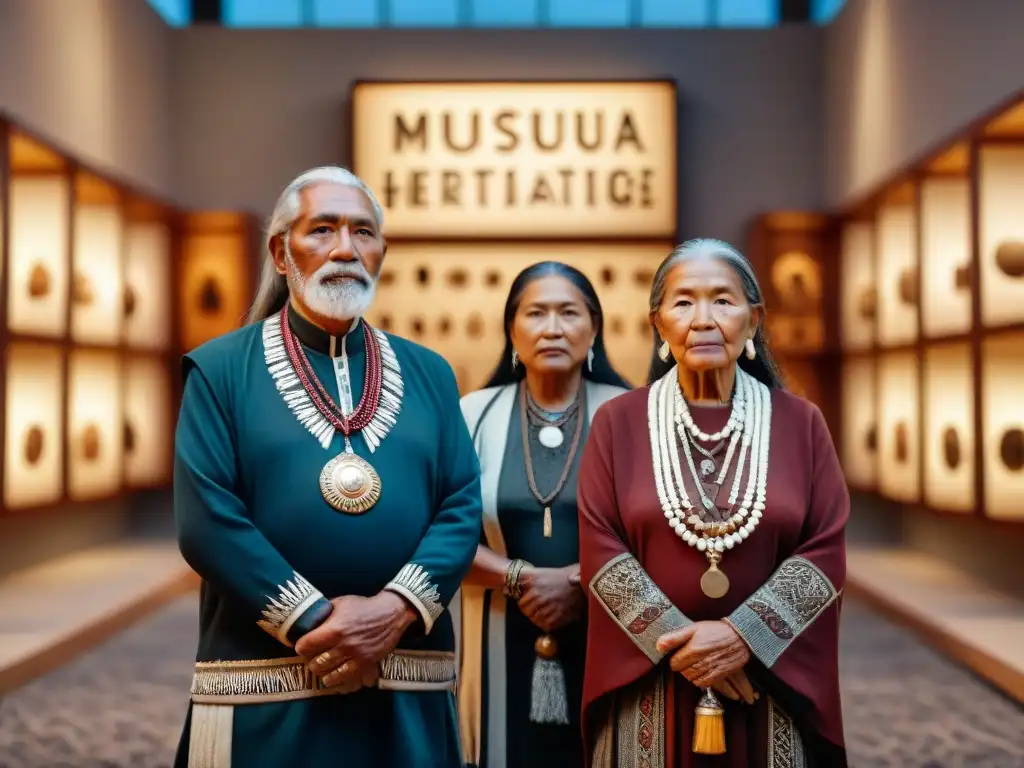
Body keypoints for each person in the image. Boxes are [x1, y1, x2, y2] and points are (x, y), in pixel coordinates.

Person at [172, 166, 481, 768]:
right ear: (281, 253)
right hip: (266, 679)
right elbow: (208, 521)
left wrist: (391, 613)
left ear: (381, 253)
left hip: (405, 673)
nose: (345, 248)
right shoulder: (220, 371)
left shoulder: (430, 373)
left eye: (363, 232)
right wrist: (320, 623)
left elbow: (460, 506)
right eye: (322, 230)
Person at [577, 239, 848, 767]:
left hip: (767, 683)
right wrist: (694, 652)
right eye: (683, 302)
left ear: (753, 321)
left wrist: (741, 637)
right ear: (658, 323)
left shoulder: (800, 423)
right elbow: (599, 547)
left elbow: (825, 548)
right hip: (650, 681)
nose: (703, 319)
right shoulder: (618, 422)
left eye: (722, 301)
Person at [456, 262, 631, 768]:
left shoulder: (633, 414)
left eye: (569, 313)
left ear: (594, 328)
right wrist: (520, 579)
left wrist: (579, 582)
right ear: (512, 329)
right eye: (536, 313)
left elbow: (656, 531)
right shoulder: (473, 414)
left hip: (611, 629)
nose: (553, 328)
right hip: (491, 635)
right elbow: (440, 531)